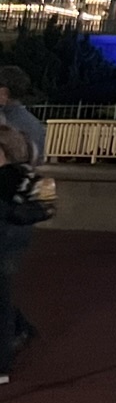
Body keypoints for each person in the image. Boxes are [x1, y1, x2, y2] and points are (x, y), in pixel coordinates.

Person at [0, 67, 41, 375]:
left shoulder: (10, 126)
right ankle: (19, 330)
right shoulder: (32, 124)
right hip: (19, 210)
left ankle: (10, 343)